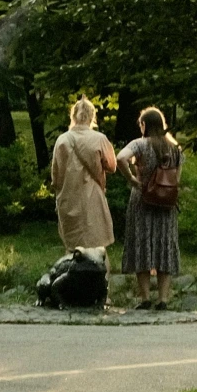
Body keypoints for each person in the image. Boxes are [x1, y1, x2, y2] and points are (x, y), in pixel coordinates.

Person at [123, 106, 182, 309]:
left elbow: (121, 157)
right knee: (164, 246)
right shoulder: (174, 148)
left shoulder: (139, 144)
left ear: (144, 125)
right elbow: (177, 178)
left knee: (142, 246)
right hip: (167, 204)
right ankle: (163, 300)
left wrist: (131, 178)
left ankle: (145, 298)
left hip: (143, 200)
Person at [50, 96, 117, 271]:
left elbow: (55, 176)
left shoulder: (62, 140)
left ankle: (74, 292)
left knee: (71, 250)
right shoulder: (99, 138)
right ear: (92, 116)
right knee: (99, 249)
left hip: (68, 198)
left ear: (72, 116)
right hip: (92, 199)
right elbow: (112, 166)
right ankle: (103, 292)